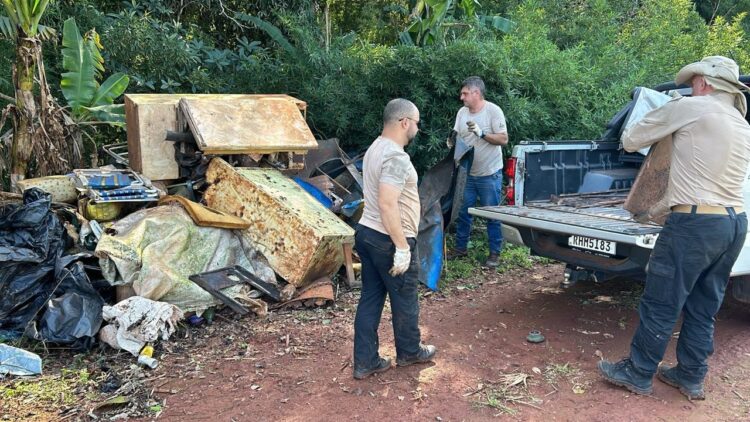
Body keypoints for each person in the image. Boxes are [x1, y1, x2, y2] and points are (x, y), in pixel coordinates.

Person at [598, 56, 750, 400]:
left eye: (694, 80)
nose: (691, 85)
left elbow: (633, 138)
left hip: (695, 222)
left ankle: (637, 373)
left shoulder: (693, 107)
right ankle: (690, 375)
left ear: (706, 84)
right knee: (704, 304)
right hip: (733, 223)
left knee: (662, 301)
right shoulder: (742, 123)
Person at [352, 98, 437, 380]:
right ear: (404, 122)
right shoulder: (396, 158)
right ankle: (410, 353)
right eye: (416, 122)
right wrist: (402, 247)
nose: (417, 127)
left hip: (367, 233)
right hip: (388, 240)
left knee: (371, 299)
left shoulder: (375, 148)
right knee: (405, 299)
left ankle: (365, 362)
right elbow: (388, 203)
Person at [449, 76, 509, 267]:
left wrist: (481, 133)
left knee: (492, 213)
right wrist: (452, 144)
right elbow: (456, 135)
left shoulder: (493, 111)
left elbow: (503, 139)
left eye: (465, 93)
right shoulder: (462, 113)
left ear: (476, 93)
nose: (462, 97)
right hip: (468, 173)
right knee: (464, 212)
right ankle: (460, 249)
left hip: (489, 174)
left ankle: (494, 254)